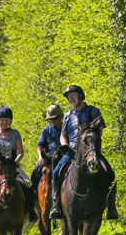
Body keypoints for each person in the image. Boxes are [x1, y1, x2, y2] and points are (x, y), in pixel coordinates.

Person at [49, 85, 118, 220]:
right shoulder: (68, 116)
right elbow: (63, 135)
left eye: (73, 95)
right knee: (56, 173)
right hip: (72, 151)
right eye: (69, 97)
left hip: (91, 150)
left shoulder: (93, 111)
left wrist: (92, 145)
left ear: (80, 95)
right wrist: (64, 144)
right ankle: (56, 205)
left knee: (110, 173)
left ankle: (111, 206)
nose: (71, 98)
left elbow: (99, 131)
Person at [30, 104, 63, 191]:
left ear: (60, 117)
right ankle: (33, 193)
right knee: (36, 171)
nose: (53, 121)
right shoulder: (46, 130)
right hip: (48, 156)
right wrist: (40, 156)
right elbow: (40, 145)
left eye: (55, 118)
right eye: (50, 119)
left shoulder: (65, 129)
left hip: (61, 156)